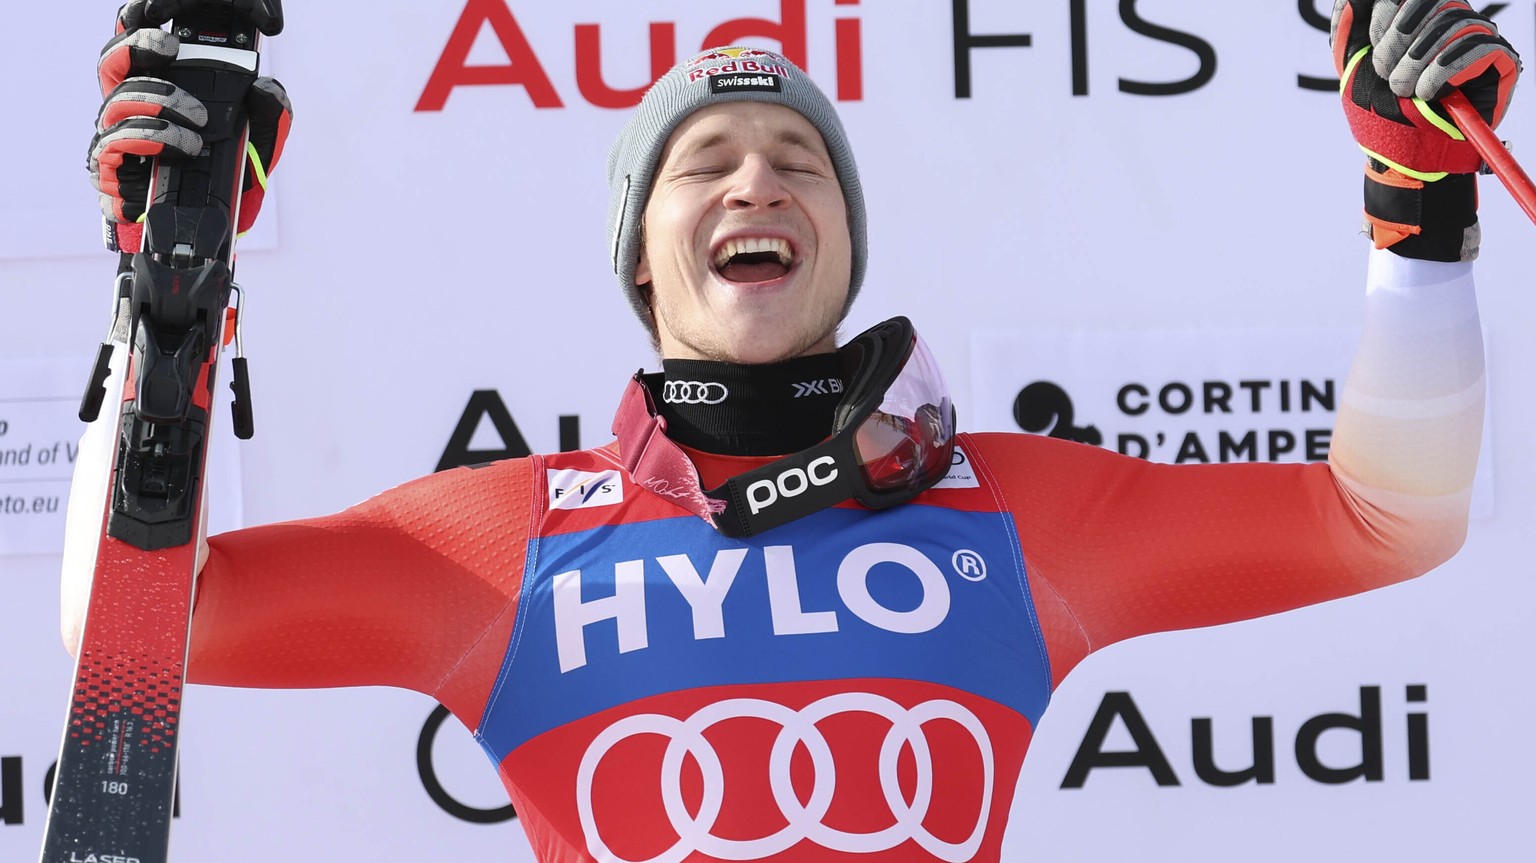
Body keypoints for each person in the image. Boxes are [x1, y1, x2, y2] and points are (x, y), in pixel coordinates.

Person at [67, 0, 1519, 860]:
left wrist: (1419, 208)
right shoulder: (508, 543)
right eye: (705, 164)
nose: (757, 183)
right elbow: (132, 628)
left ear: (841, 246)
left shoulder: (1005, 513)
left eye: (799, 165)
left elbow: (1388, 515)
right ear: (645, 256)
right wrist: (159, 299)